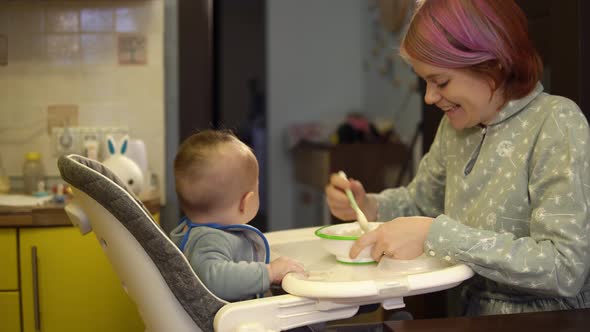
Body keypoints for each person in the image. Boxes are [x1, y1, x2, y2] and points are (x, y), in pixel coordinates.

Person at [326, 0, 590, 316]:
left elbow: (565, 268)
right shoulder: (454, 130)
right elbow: (422, 204)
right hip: (469, 314)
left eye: (441, 82)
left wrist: (434, 234)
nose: (429, 97)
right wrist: (369, 205)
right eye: (425, 82)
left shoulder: (557, 124)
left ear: (494, 63)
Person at [170, 129, 305, 302]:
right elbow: (213, 278)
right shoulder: (209, 239)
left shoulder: (196, 231)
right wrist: (269, 272)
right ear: (246, 202)